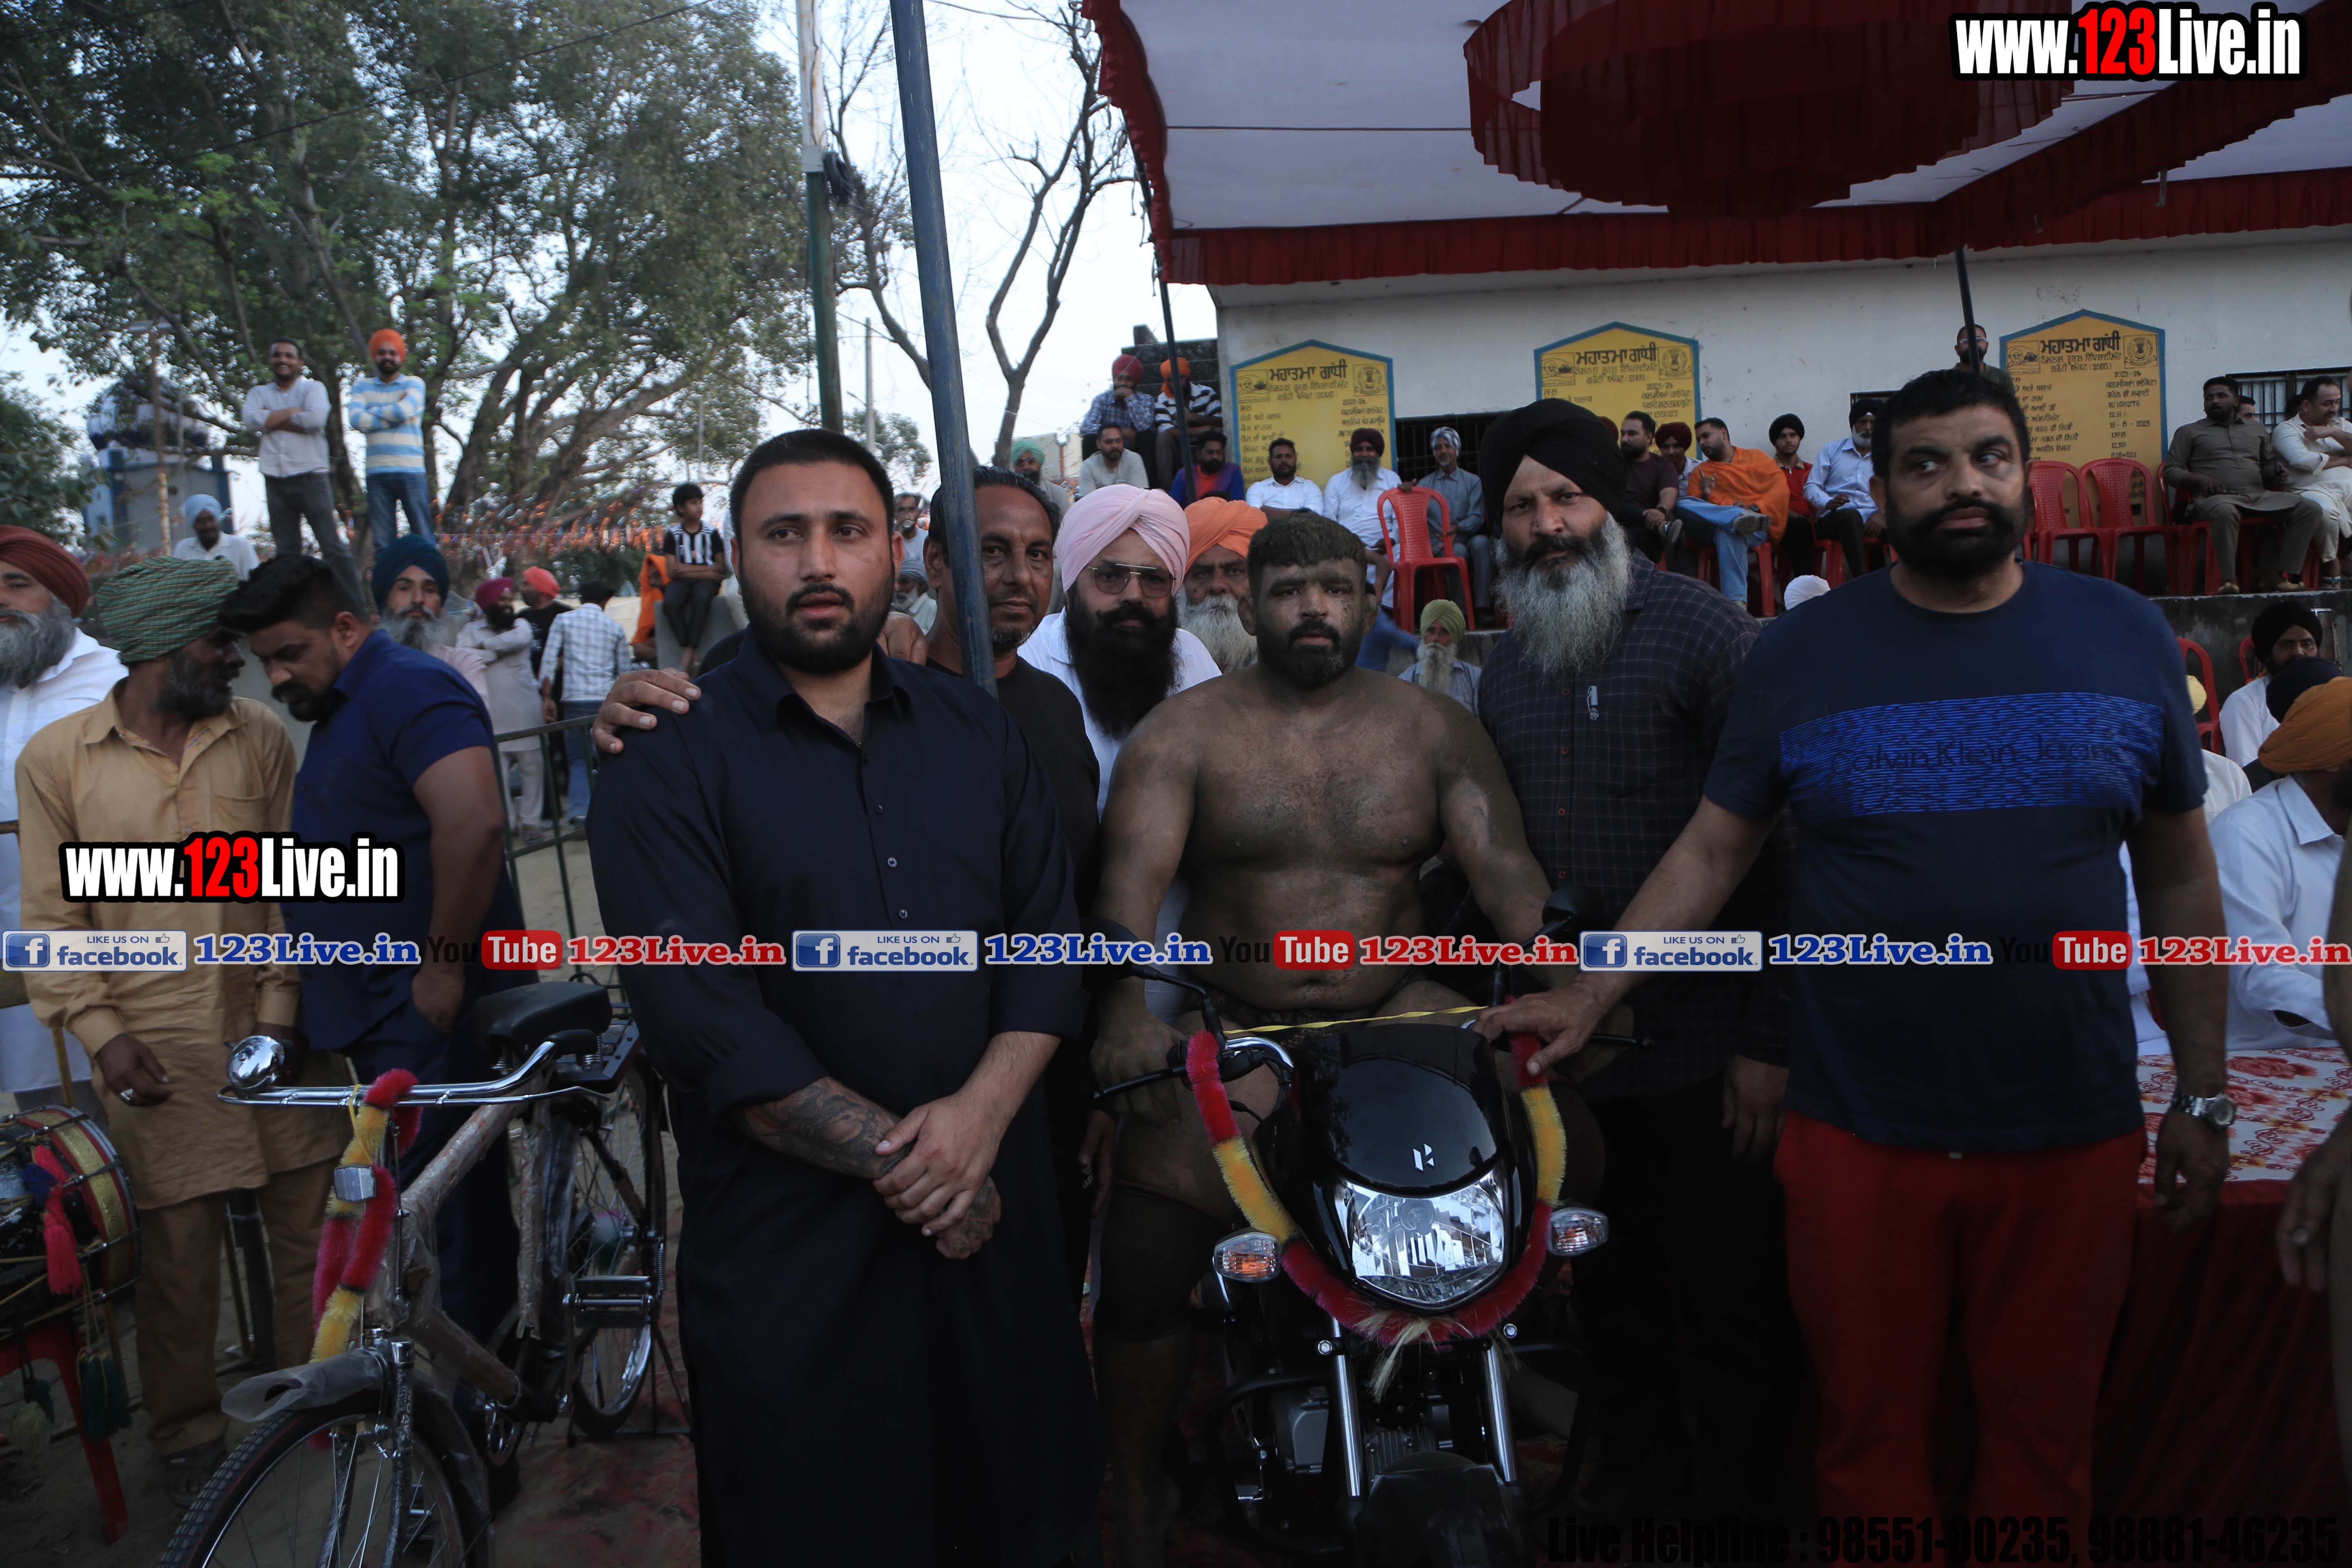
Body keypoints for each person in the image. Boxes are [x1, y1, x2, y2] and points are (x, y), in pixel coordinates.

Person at [1486, 367, 2231, 1537]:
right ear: (1876, 495)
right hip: (1856, 1132)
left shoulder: (2125, 637)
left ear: (2026, 477)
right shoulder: (1799, 653)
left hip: (2068, 1123)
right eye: (1924, 464)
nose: (1960, 484)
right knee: (1865, 1442)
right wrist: (1590, 993)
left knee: (2043, 1444)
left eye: (1987, 457)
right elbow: (1714, 851)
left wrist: (2203, 1091)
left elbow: (2182, 878)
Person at [586, 429, 1101, 1566]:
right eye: (784, 533)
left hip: (996, 1239)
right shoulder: (664, 755)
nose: (818, 561)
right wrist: (921, 1167)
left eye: (848, 530)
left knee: (1023, 1518)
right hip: (794, 1265)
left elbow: (1045, 943)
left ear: (895, 552)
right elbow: (702, 1016)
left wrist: (975, 1124)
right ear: (736, 554)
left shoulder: (978, 729)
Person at [1088, 509, 1593, 1565]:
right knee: (1144, 1249)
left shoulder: (1433, 727)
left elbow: (1507, 874)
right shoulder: (1183, 734)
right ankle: (1135, 1478)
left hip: (1401, 1010)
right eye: (1287, 591)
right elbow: (1128, 889)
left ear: (1371, 599)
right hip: (1245, 1027)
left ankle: (1505, 1361)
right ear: (1247, 607)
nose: (1312, 609)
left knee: (1568, 1136)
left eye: (1333, 588)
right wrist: (1125, 1011)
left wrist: (1572, 987)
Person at [1471, 396, 1795, 1519]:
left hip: (1712, 1046)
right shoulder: (1505, 668)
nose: (1546, 525)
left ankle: (1748, 1507)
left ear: (1607, 506)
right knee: (1609, 1290)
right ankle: (1641, 1478)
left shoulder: (1706, 633)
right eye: (1521, 508)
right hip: (1580, 1057)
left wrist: (1768, 1043)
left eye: (1565, 497)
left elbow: (1778, 851)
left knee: (1734, 1298)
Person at [19, 556, 343, 1507]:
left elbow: (290, 888)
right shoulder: (58, 761)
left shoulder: (260, 737)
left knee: (308, 1237)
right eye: (218, 642)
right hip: (155, 1049)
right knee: (177, 1263)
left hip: (274, 1033)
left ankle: (313, 1403)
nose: (236, 659)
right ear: (162, 649)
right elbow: (53, 921)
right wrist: (102, 1032)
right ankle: (188, 1433)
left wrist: (280, 1019)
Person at [219, 556, 529, 1351]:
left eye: (290, 654)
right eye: (265, 662)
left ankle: (485, 1403)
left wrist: (444, 967)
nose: (277, 676)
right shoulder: (348, 706)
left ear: (347, 627)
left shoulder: (408, 687)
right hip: (386, 1009)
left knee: (455, 1218)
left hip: (432, 1006)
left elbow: (474, 824)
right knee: (419, 1218)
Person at [0, 528, 120, 1115]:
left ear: (61, 596)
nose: (2, 600)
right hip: (6, 937)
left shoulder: (112, 680)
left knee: (115, 1103)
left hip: (95, 932)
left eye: (16, 584)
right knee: (40, 1123)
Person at [1021, 487, 1223, 805]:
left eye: (1153, 580)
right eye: (1110, 577)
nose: (1134, 596)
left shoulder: (1191, 654)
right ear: (1071, 590)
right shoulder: (1030, 661)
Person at [2214, 667, 2351, 1054]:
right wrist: (2346, 1014)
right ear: (2333, 761)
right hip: (2269, 1059)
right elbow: (2264, 978)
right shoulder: (2246, 834)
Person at [2164, 375, 2325, 593]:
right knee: (2226, 511)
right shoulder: (2189, 432)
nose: (2215, 401)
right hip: (2215, 499)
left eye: (2222, 396)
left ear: (2236, 401)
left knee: (2309, 508)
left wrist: (2276, 473)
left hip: (2257, 495)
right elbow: (2171, 471)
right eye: (2209, 398)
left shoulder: (2256, 429)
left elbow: (2267, 466)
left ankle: (2277, 575)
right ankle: (2229, 580)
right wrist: (2200, 479)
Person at [240, 338, 363, 606]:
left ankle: (357, 607)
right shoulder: (259, 393)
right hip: (275, 478)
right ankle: (294, 611)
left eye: (289, 356)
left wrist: (270, 419)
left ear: (300, 363)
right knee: (287, 553)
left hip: (311, 477)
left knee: (332, 546)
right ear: (271, 360)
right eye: (278, 355)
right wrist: (293, 413)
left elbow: (315, 420)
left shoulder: (313, 388)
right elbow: (250, 421)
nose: (283, 360)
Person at [459, 576, 548, 842]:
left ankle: (531, 824)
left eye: (510, 599)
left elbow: (520, 640)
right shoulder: (470, 631)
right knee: (497, 777)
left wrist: (485, 648)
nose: (509, 604)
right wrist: (491, 652)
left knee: (533, 770)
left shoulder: (521, 624)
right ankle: (508, 824)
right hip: (491, 715)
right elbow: (463, 657)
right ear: (488, 604)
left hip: (526, 713)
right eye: (502, 600)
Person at [540, 580, 631, 825]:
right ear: (606, 601)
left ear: (580, 599)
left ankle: (580, 811)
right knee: (608, 757)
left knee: (578, 759)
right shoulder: (614, 628)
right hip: (605, 699)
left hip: (574, 700)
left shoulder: (564, 621)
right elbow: (624, 671)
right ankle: (614, 810)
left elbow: (549, 661)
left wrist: (547, 697)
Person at [1676, 417, 1788, 605]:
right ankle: (1735, 517)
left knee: (1728, 530)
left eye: (1706, 436)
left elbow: (1780, 490)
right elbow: (1696, 515)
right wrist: (1705, 495)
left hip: (1755, 526)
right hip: (1714, 528)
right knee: (1681, 504)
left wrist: (1753, 508)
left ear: (1723, 434)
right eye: (1699, 440)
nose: (1702, 443)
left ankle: (1736, 603)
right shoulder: (1701, 472)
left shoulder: (1756, 458)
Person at [374, 535, 488, 705]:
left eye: (429, 590)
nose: (418, 599)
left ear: (442, 608)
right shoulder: (363, 667)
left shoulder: (463, 667)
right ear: (384, 603)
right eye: (404, 588)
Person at [346, 327, 433, 550]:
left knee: (424, 537)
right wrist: (393, 417)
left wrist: (372, 412)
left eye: (393, 353)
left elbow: (404, 411)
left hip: (411, 470)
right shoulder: (362, 386)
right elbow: (355, 419)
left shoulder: (414, 384)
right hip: (377, 472)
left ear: (401, 357)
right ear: (375, 356)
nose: (388, 357)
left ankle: (431, 574)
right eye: (382, 352)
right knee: (383, 544)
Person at [2221, 603, 2322, 766]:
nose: (2299, 652)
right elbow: (2249, 773)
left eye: (2307, 644)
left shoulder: (2333, 694)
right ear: (2268, 653)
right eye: (2286, 645)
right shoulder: (2244, 702)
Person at [1177, 496, 1266, 676]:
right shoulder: (1164, 660)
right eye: (1201, 574)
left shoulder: (1284, 661)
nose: (1217, 586)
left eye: (1235, 572)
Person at [2272, 376, 2352, 559]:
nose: (2334, 409)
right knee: (2325, 512)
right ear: (2307, 405)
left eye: (2337, 402)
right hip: (2309, 491)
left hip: (2347, 488)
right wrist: (2346, 460)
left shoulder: (2341, 425)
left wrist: (2334, 432)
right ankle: (2330, 564)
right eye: (2327, 404)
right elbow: (2304, 461)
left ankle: (2350, 561)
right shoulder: (2286, 430)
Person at [1419, 425, 1494, 618]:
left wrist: (1459, 528)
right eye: (1438, 447)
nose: (1443, 451)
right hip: (1439, 543)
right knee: (1458, 551)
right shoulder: (1425, 485)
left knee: (1482, 543)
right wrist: (1407, 490)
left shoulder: (1472, 481)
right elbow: (1416, 518)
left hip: (1466, 536)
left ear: (1457, 450)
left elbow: (1477, 517)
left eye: (1448, 446)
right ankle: (1461, 613)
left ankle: (1482, 608)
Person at [1803, 402, 1882, 580]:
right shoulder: (1832, 450)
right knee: (1850, 516)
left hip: (1873, 520)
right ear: (1852, 425)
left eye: (1873, 423)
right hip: (1834, 518)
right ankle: (1862, 582)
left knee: (1908, 523)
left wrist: (1882, 515)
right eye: (1862, 422)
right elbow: (1811, 487)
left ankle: (1907, 586)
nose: (1868, 428)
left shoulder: (1886, 456)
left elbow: (1896, 491)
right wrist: (1828, 502)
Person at [661, 481, 730, 674]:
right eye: (693, 503)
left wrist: (686, 569)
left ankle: (689, 650)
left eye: (701, 502)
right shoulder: (673, 535)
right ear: (681, 508)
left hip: (707, 583)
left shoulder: (711, 533)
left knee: (701, 598)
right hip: (683, 581)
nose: (699, 507)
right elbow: (672, 571)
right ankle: (689, 647)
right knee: (670, 603)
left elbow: (721, 567)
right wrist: (706, 571)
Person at [1619, 411, 1682, 563]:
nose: (1624, 439)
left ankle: (1659, 526)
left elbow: (1669, 493)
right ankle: (1663, 527)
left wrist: (1661, 511)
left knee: (1636, 537)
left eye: (1632, 434)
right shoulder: (1614, 462)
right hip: (1614, 526)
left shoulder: (1662, 466)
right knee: (1613, 501)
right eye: (1623, 434)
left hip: (1646, 533)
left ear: (1648, 438)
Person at [1767, 413, 1822, 584]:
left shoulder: (1813, 470)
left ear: (1800, 438)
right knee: (1799, 526)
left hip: (1813, 524)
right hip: (1780, 527)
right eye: (1783, 436)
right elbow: (1768, 502)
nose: (1789, 440)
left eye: (1793, 435)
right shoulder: (1766, 470)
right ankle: (1806, 588)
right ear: (1775, 442)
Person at [1151, 357, 1220, 490]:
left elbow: (1221, 421)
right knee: (1163, 438)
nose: (1176, 383)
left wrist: (1196, 418)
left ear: (1188, 376)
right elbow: (1168, 431)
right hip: (1180, 452)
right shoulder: (1163, 399)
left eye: (1180, 377)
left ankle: (1219, 483)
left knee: (1219, 433)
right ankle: (1167, 490)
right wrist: (1201, 430)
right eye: (1171, 380)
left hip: (1205, 448)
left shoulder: (1206, 393)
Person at [1402, 594, 1477, 708]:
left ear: (1454, 638)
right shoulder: (1405, 681)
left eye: (1444, 632)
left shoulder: (1475, 679)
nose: (1436, 638)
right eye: (1431, 631)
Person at [1081, 354, 1157, 457]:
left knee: (1147, 437)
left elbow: (1144, 427)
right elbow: (1087, 427)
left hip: (1134, 453)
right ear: (1114, 379)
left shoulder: (1146, 400)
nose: (1123, 383)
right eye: (1119, 378)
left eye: (1128, 379)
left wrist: (1130, 398)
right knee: (1089, 439)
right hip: (1107, 452)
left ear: (1135, 382)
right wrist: (1120, 431)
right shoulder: (1102, 400)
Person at [173, 492, 261, 579]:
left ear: (218, 519)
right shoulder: (183, 549)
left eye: (211, 519)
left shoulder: (240, 546)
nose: (208, 525)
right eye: (201, 521)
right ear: (193, 525)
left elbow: (256, 582)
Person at [1242, 437, 1323, 520]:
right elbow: (1255, 515)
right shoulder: (1257, 489)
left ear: (1296, 460)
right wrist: (1302, 513)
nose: (1284, 460)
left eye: (1288, 456)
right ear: (1270, 462)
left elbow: (1314, 517)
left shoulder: (1310, 487)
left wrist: (1266, 511)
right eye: (1278, 457)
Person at [1165, 430, 1245, 506]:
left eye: (1219, 453)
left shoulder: (1232, 472)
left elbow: (1237, 505)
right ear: (1199, 454)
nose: (1215, 457)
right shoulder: (1185, 474)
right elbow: (1174, 506)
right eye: (1210, 452)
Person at [517, 564, 570, 679]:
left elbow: (573, 650)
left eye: (526, 584)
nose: (521, 589)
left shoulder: (565, 615)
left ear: (540, 589)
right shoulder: (521, 616)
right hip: (526, 683)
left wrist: (546, 671)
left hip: (558, 684)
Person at [1077, 422, 1149, 496]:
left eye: (1119, 441)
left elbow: (1141, 497)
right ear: (1099, 445)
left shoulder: (1134, 460)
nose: (1115, 446)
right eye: (1109, 442)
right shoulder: (1088, 466)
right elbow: (1088, 501)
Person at [1010, 438, 1070, 520]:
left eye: (1031, 461)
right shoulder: (1008, 496)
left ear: (1039, 463)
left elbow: (1066, 525)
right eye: (1020, 463)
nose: (1026, 467)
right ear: (1015, 467)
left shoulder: (1057, 494)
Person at [1956, 323, 2016, 395]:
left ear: (1987, 346)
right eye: (1966, 341)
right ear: (1957, 349)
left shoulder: (2002, 377)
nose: (1974, 344)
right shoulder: (1948, 380)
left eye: (1979, 340)